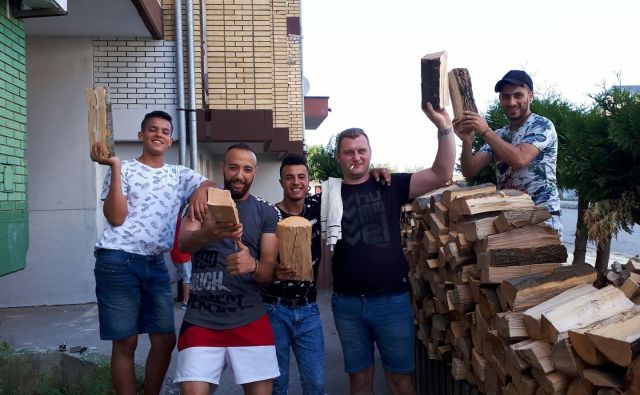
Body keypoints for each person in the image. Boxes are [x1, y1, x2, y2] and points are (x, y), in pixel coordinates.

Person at [329, 103, 456, 395]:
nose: (356, 157)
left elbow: (442, 172)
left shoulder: (390, 185)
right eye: (349, 152)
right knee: (359, 381)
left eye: (362, 151)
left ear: (370, 153)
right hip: (346, 304)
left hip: (391, 303)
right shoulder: (329, 193)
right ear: (338, 157)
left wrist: (444, 127)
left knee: (401, 382)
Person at [90, 110, 213, 395]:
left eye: (165, 131)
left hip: (156, 263)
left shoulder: (179, 174)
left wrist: (199, 190)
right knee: (126, 341)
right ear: (141, 135)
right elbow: (116, 218)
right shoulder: (125, 169)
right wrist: (116, 167)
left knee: (164, 340)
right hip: (117, 259)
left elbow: (210, 184)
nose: (159, 134)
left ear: (170, 140)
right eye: (153, 129)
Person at [175, 143, 280, 395]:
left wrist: (252, 265)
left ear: (254, 173)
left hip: (249, 317)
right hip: (201, 319)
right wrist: (207, 233)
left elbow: (268, 272)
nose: (239, 175)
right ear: (223, 168)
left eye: (247, 169)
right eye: (233, 167)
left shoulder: (267, 212)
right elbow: (184, 245)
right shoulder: (201, 202)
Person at [453, 70, 562, 231]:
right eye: (505, 96)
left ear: (530, 95)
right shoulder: (499, 135)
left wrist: (485, 131)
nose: (511, 102)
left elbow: (520, 159)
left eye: (518, 95)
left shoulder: (541, 125)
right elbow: (470, 170)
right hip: (510, 215)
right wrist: (467, 141)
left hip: (542, 215)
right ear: (500, 99)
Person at [171, 213, 192, 309]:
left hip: (174, 251)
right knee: (187, 276)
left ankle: (161, 287)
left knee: (179, 274)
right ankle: (186, 302)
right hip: (183, 252)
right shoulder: (185, 217)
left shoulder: (175, 217)